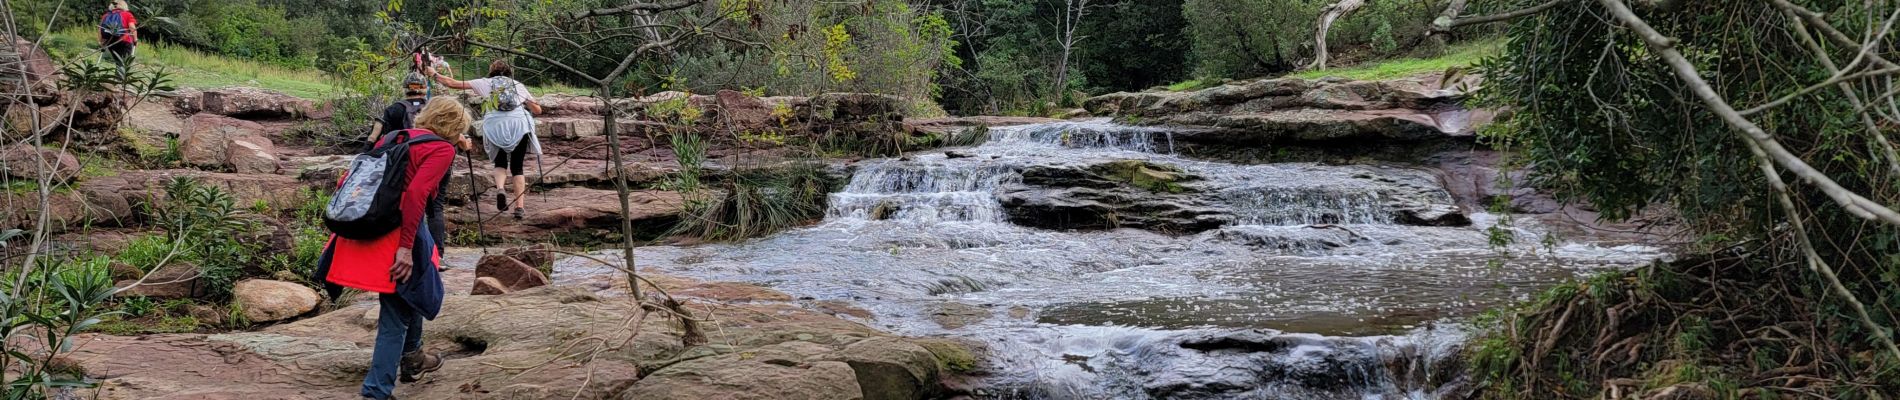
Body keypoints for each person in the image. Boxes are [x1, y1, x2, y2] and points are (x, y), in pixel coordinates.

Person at [317, 97, 472, 400]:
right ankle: (377, 390)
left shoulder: (394, 137)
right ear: (456, 127)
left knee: (414, 293)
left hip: (367, 226)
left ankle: (414, 360)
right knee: (397, 312)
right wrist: (404, 249)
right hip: (400, 234)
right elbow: (416, 196)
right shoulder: (442, 149)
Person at [425, 59, 543, 220]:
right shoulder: (517, 85)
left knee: (500, 162)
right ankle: (519, 207)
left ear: (491, 71)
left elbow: (452, 83)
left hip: (495, 125)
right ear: (509, 72)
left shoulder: (484, 83)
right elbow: (537, 109)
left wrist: (434, 74)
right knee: (517, 166)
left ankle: (500, 189)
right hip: (519, 125)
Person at [98, 1, 138, 77]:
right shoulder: (127, 14)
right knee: (124, 63)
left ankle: (117, 80)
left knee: (118, 62)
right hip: (125, 41)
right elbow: (132, 27)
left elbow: (100, 29)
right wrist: (135, 39)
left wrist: (101, 42)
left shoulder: (106, 16)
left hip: (110, 41)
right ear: (124, 6)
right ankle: (120, 82)